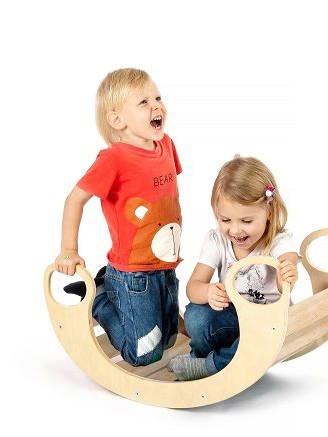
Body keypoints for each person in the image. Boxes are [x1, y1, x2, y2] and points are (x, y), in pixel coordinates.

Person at [54, 68, 182, 366]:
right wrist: (69, 250)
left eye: (158, 98)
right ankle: (99, 294)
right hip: (133, 273)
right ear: (117, 120)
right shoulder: (113, 159)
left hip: (166, 263)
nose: (157, 106)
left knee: (169, 339)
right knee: (144, 354)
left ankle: (111, 291)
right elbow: (74, 200)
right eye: (143, 102)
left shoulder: (166, 145)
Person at [167, 156, 299, 380]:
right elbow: (193, 288)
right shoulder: (217, 240)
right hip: (232, 318)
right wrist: (208, 292)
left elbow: (287, 273)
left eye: (246, 221)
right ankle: (203, 357)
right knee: (196, 316)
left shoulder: (279, 242)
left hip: (267, 323)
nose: (235, 230)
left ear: (269, 211)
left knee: (262, 338)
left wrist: (285, 274)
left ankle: (210, 365)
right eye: (225, 220)